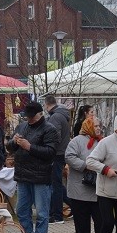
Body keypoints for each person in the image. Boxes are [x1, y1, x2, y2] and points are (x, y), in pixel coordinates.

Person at [7, 100, 60, 233]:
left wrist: (29, 147)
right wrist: (13, 142)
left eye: (32, 116)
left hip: (41, 176)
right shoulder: (22, 126)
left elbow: (50, 152)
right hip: (23, 175)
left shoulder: (49, 129)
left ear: (40, 114)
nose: (29, 119)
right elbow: (10, 148)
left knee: (42, 212)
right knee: (21, 210)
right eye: (27, 116)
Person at [64, 115, 103, 233]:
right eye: (95, 126)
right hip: (79, 186)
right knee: (81, 215)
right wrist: (85, 165)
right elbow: (69, 157)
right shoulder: (77, 141)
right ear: (88, 127)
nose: (98, 128)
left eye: (99, 126)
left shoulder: (102, 141)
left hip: (97, 186)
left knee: (100, 215)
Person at [44, 93, 72, 224]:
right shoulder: (62, 115)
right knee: (57, 183)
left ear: (46, 105)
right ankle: (69, 207)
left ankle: (56, 215)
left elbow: (55, 137)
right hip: (61, 152)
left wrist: (47, 149)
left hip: (56, 154)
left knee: (55, 185)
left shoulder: (55, 117)